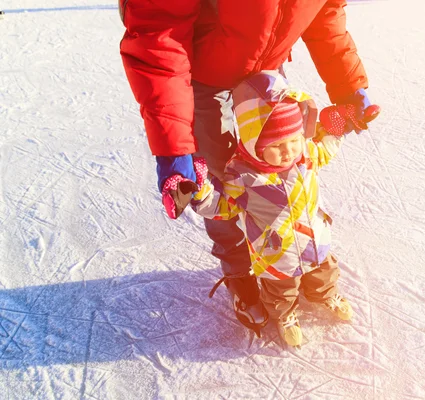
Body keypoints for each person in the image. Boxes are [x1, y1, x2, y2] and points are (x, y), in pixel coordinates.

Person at [118, 0, 375, 335]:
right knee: (228, 183)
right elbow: (159, 32)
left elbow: (324, 12)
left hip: (267, 74)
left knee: (284, 162)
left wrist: (349, 86)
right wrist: (174, 148)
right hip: (202, 79)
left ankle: (300, 257)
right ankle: (241, 270)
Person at [188, 71, 379, 346]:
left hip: (315, 240)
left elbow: (324, 150)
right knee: (281, 290)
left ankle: (325, 294)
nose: (288, 151)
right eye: (276, 145)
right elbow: (224, 208)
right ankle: (285, 314)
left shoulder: (305, 155)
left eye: (293, 140)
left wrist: (337, 128)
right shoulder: (244, 177)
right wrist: (202, 192)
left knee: (324, 272)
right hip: (276, 254)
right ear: (255, 145)